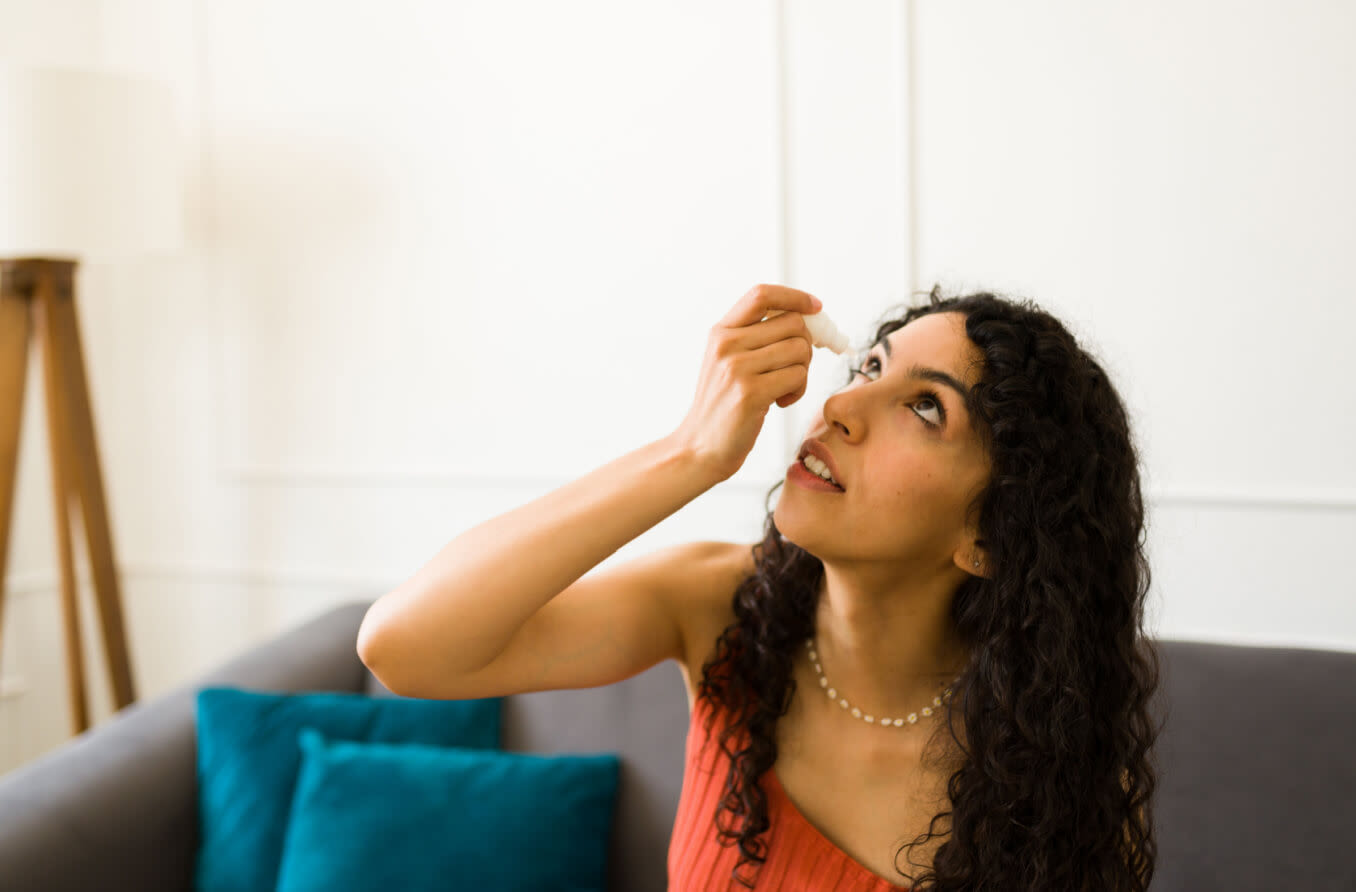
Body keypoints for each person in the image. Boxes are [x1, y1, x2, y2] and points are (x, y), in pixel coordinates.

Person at [357, 283, 1162, 891]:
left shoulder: (1053, 771)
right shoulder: (721, 609)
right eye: (869, 368)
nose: (842, 404)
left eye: (923, 407)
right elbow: (405, 646)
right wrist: (689, 453)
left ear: (987, 535)